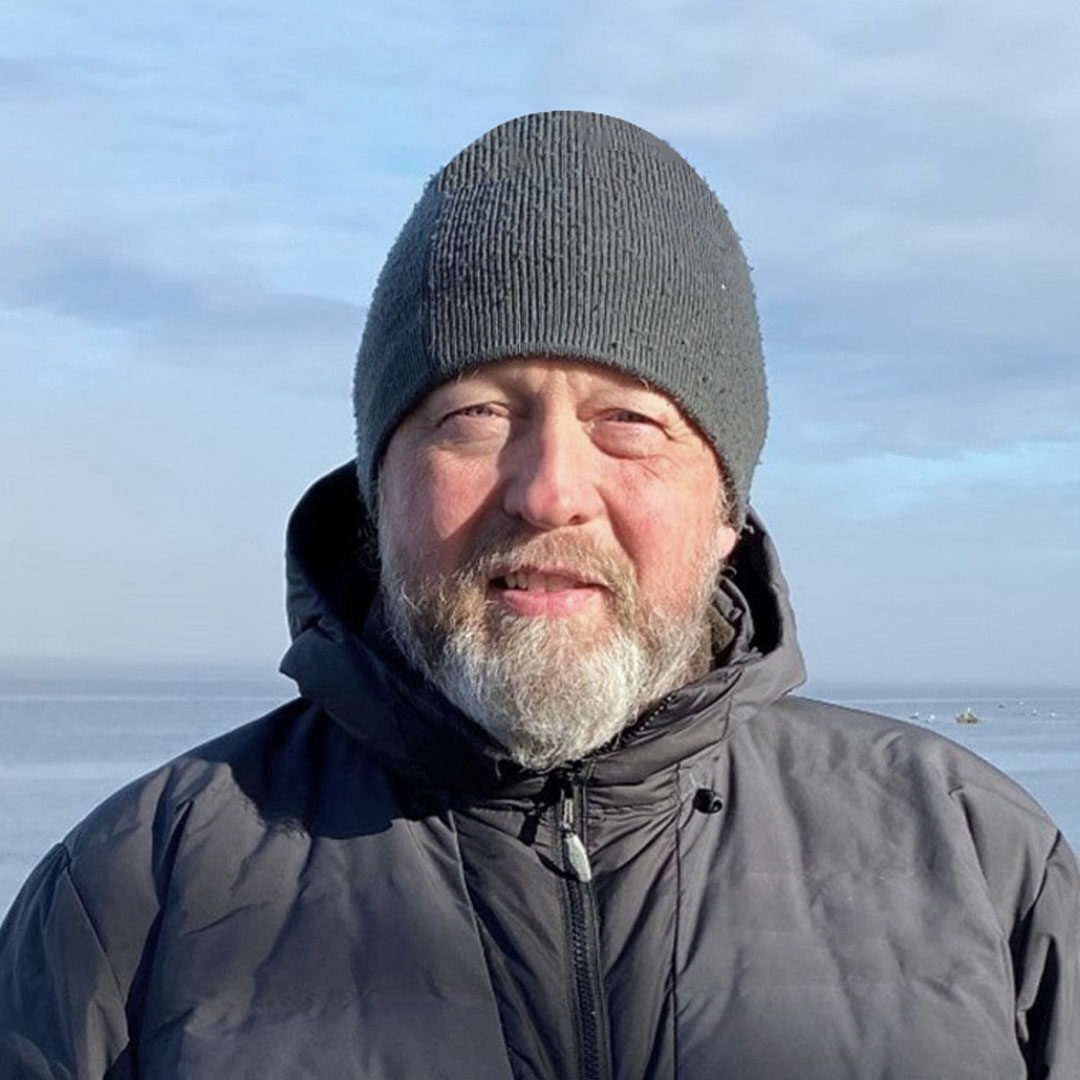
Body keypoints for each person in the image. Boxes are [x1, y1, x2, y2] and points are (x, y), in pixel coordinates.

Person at [1, 110, 1076, 1080]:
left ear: (727, 511)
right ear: (382, 491)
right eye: (475, 414)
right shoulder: (131, 902)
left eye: (631, 424)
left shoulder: (982, 865)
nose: (551, 490)